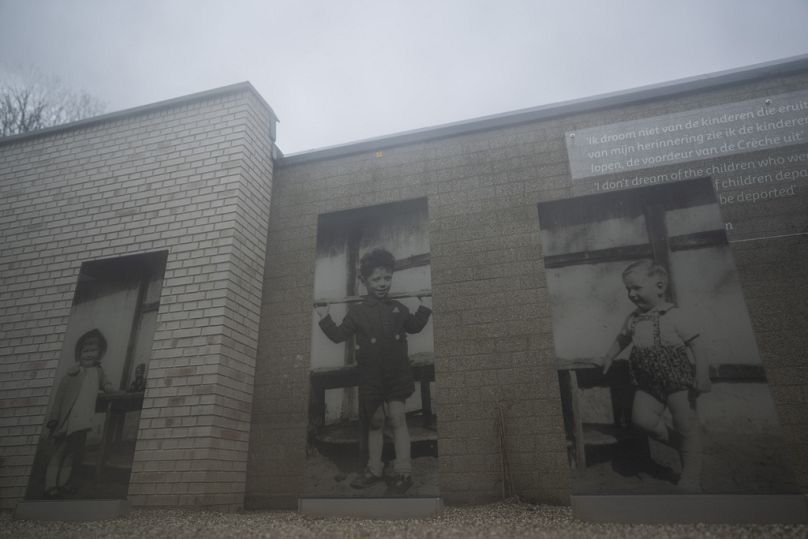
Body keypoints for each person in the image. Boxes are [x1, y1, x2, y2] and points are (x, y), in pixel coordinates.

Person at [315, 248, 432, 495]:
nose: (382, 284)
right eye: (376, 279)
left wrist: (425, 306)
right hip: (371, 378)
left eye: (387, 278)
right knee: (377, 422)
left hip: (397, 375)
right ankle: (375, 468)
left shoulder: (398, 308)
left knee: (398, 419)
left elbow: (415, 326)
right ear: (365, 281)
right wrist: (324, 316)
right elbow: (337, 336)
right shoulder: (357, 312)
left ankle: (403, 470)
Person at [601, 260, 711, 491]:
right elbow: (623, 339)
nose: (631, 294)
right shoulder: (632, 319)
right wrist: (609, 356)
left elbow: (697, 346)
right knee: (642, 420)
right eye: (628, 289)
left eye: (636, 288)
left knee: (686, 425)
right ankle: (683, 445)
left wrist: (702, 375)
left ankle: (691, 478)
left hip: (678, 380)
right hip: (647, 381)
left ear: (659, 287)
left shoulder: (674, 315)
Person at [44, 329, 114, 498]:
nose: (89, 354)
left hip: (82, 420)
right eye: (85, 350)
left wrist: (108, 387)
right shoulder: (72, 373)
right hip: (67, 418)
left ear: (99, 354)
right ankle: (49, 485)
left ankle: (63, 483)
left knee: (72, 453)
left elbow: (106, 383)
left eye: (93, 350)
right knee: (59, 451)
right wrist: (54, 417)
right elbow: (60, 396)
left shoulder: (98, 371)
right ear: (79, 353)